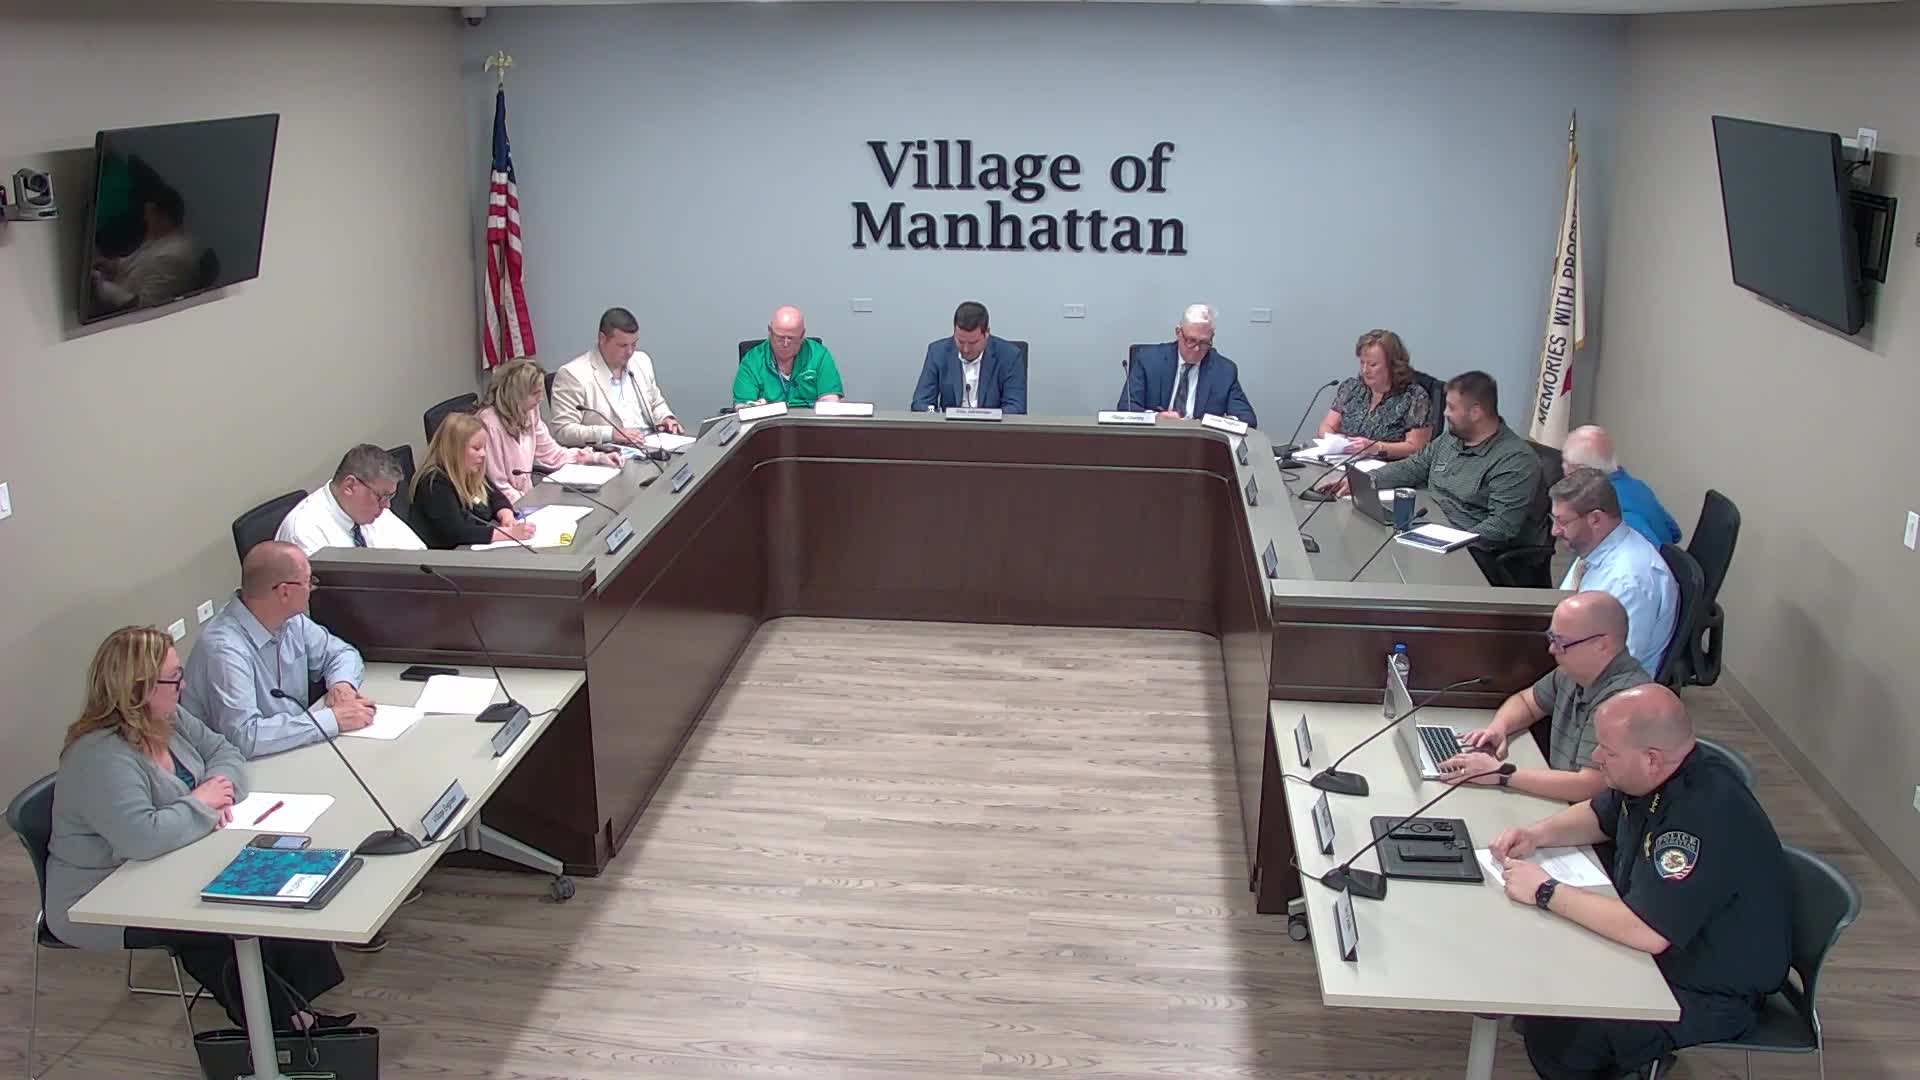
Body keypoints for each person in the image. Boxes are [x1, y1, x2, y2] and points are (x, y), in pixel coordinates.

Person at [49, 626, 354, 1031]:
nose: (184, 686)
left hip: (173, 859)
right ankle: (282, 1027)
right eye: (174, 678)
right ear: (138, 688)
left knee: (272, 880)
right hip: (102, 895)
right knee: (211, 924)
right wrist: (201, 804)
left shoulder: (168, 717)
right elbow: (142, 838)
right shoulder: (101, 757)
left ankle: (295, 1005)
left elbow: (226, 751)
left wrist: (215, 790)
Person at [1491, 685, 1790, 1080]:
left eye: (1607, 751)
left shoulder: (1700, 816)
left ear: (1651, 759)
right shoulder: (1656, 776)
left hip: (1710, 991)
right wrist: (1537, 835)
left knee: (1565, 1036)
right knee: (1549, 982)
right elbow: (1602, 815)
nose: (1596, 758)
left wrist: (1546, 890)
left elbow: (1648, 931)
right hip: (1667, 958)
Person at [1335, 371, 1551, 585]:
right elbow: (1414, 466)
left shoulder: (1515, 460)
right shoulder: (1451, 439)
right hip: (1429, 529)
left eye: (1452, 408)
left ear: (1476, 412)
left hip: (1473, 554)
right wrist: (1368, 479)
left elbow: (1501, 527)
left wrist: (1446, 542)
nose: (1445, 413)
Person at [1439, 591, 1649, 803]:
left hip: (1584, 812)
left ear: (1601, 643)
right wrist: (1499, 728)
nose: (1551, 649)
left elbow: (1591, 786)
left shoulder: (1625, 700)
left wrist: (1501, 773)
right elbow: (1526, 702)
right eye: (1551, 638)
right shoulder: (1572, 672)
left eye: (1561, 642)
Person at [182, 542, 374, 758]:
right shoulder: (224, 650)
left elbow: (342, 653)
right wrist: (332, 720)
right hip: (238, 766)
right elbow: (244, 737)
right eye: (308, 581)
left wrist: (341, 685)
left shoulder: (292, 621)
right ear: (284, 592)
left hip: (291, 750)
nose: (312, 588)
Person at [1550, 467, 1680, 674]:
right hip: (1572, 653)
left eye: (1562, 521)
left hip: (1604, 684)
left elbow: (1615, 668)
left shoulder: (1628, 582)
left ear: (1596, 519)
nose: (1554, 531)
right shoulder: (1592, 549)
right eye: (1554, 519)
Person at [477, 358, 621, 503]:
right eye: (535, 393)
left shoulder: (529, 413)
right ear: (516, 394)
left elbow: (553, 455)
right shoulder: (489, 424)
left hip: (527, 500)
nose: (541, 399)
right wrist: (529, 504)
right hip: (507, 507)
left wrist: (596, 457)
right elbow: (498, 485)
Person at [550, 307, 684, 447]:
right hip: (611, 451)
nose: (630, 352)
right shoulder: (573, 374)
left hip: (652, 445)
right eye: (623, 345)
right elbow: (563, 431)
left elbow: (655, 402)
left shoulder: (641, 361)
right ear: (602, 339)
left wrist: (666, 418)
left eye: (634, 344)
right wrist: (611, 433)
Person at [407, 412, 536, 549]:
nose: (483, 454)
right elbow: (456, 532)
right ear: (454, 449)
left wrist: (506, 516)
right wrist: (509, 533)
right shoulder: (433, 483)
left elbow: (496, 496)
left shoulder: (469, 471)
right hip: (447, 556)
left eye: (484, 447)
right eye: (476, 448)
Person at [1115, 304, 1258, 426]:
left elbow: (1247, 420)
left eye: (1204, 342)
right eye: (1191, 340)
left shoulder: (1224, 370)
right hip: (1154, 439)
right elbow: (1126, 408)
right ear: (1178, 333)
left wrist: (1214, 423)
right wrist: (1156, 418)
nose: (1196, 349)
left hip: (1201, 444)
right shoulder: (1148, 360)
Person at [275, 444, 427, 555]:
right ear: (350, 486)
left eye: (390, 496)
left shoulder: (373, 510)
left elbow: (419, 555)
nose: (387, 505)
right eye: (382, 496)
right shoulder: (303, 532)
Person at [1313, 329, 1432, 460]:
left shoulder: (1414, 397)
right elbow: (1326, 426)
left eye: (1373, 365)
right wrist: (1335, 441)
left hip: (1388, 467)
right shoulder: (1352, 388)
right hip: (1344, 462)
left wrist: (1376, 448)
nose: (1365, 370)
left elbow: (1416, 447)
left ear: (1393, 365)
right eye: (1362, 362)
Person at [1562, 424, 1683, 546]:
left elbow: (1647, 553)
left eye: (1567, 463)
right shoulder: (1639, 487)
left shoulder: (1610, 510)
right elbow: (1674, 533)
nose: (1563, 468)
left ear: (1582, 470)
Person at [909, 301, 1028, 413]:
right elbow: (921, 402)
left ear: (987, 333)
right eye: (960, 341)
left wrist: (992, 417)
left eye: (973, 343)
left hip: (992, 426)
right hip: (950, 426)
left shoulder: (1010, 356)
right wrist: (934, 413)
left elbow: (1015, 406)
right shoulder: (937, 353)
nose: (966, 349)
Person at [734, 305, 845, 408]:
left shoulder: (819, 355)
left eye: (791, 338)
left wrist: (827, 404)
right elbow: (742, 405)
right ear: (770, 331)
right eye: (780, 338)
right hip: (769, 420)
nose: (785, 344)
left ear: (802, 335)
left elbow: (831, 398)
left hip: (809, 419)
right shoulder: (752, 360)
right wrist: (753, 408)